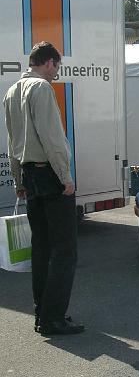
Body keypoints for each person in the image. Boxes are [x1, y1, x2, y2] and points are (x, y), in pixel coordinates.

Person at [3, 42, 83, 335]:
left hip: (29, 175)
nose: (56, 74)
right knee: (65, 250)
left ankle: (42, 313)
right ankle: (53, 318)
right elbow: (52, 138)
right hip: (49, 174)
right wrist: (65, 176)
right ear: (49, 62)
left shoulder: (12, 91)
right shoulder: (41, 89)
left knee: (42, 247)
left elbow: (12, 142)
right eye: (57, 67)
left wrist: (18, 181)